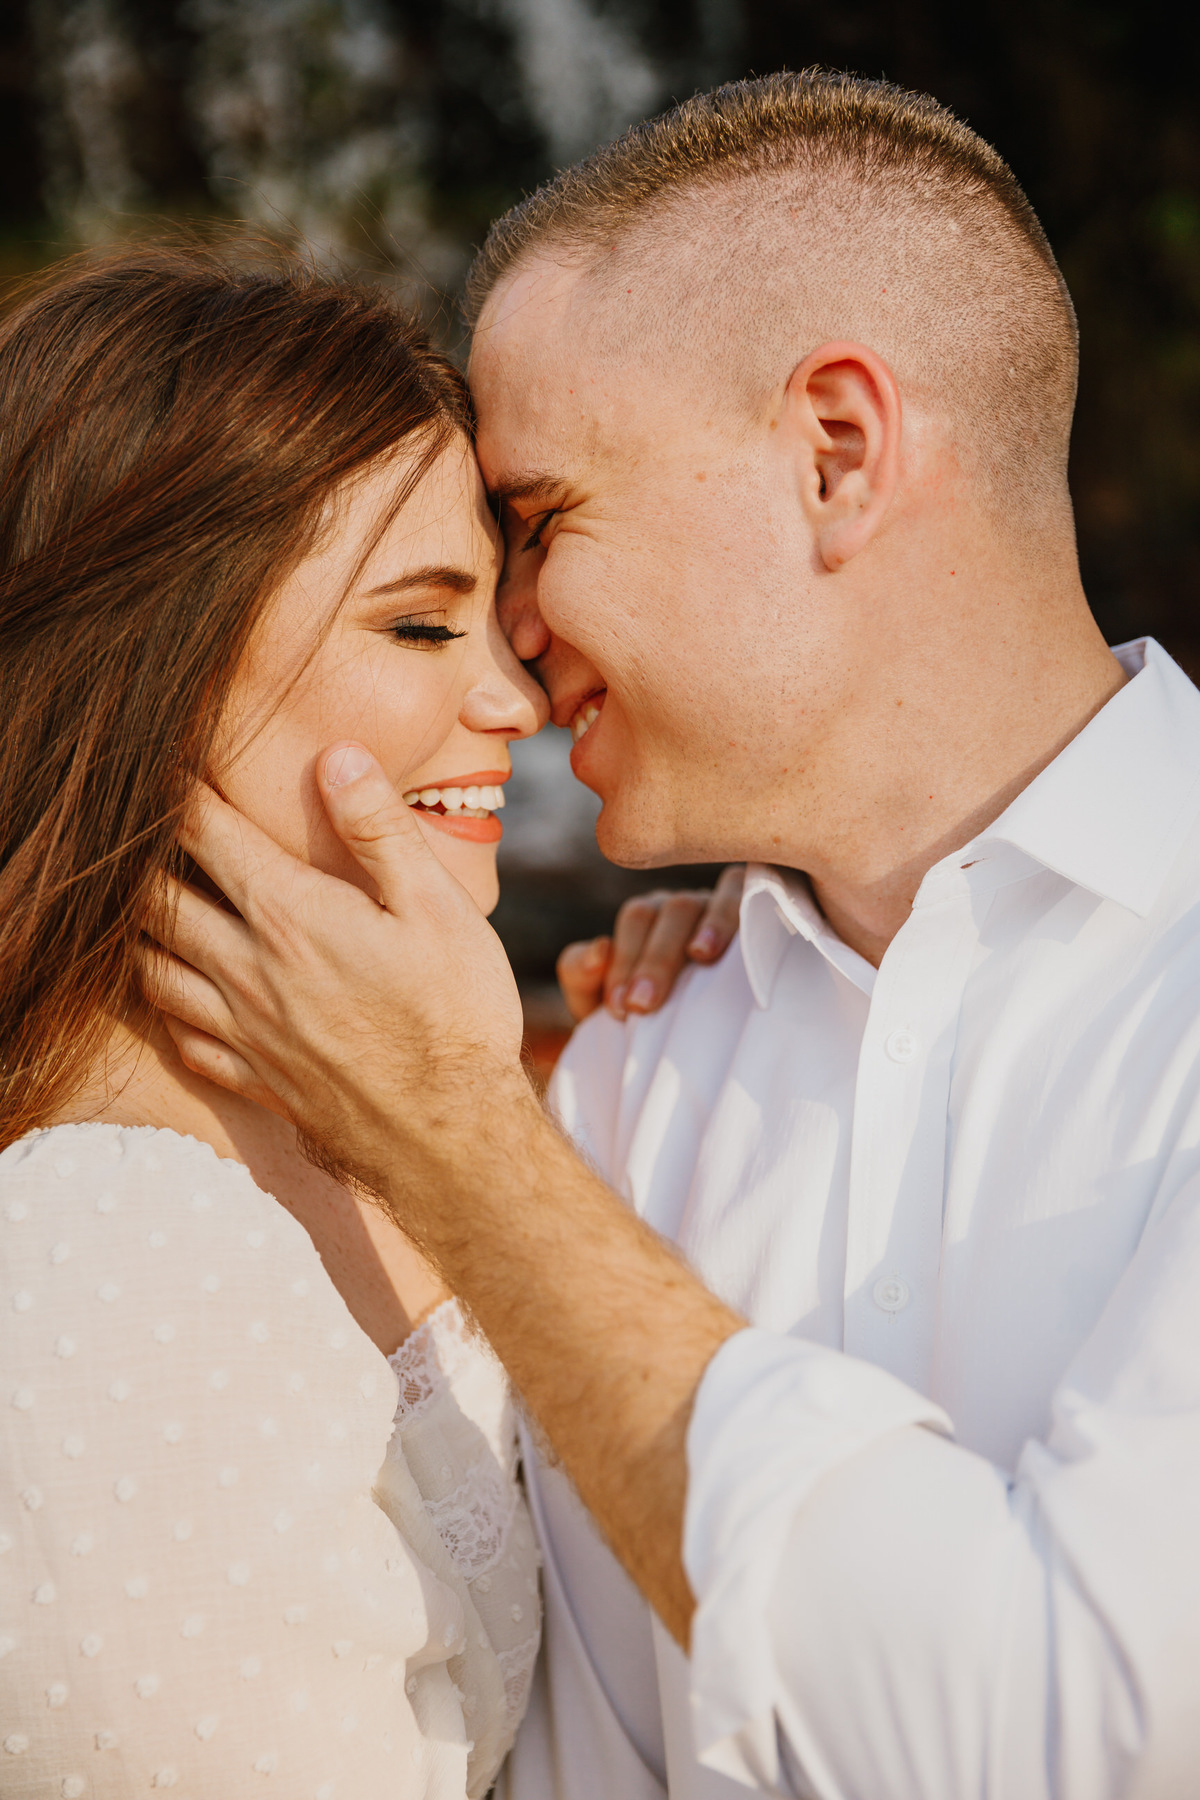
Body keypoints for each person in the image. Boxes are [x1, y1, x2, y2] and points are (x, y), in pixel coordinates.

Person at [144, 69, 1200, 1800]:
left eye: (542, 522)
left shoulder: (490, 1130)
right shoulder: (632, 1048)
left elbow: (1069, 1743)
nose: (512, 639)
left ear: (835, 453)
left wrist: (458, 1140)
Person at [0, 245, 563, 1799]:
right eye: (422, 627)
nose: (516, 700)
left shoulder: (335, 1129)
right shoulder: (107, 1251)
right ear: (158, 666)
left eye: (501, 624)